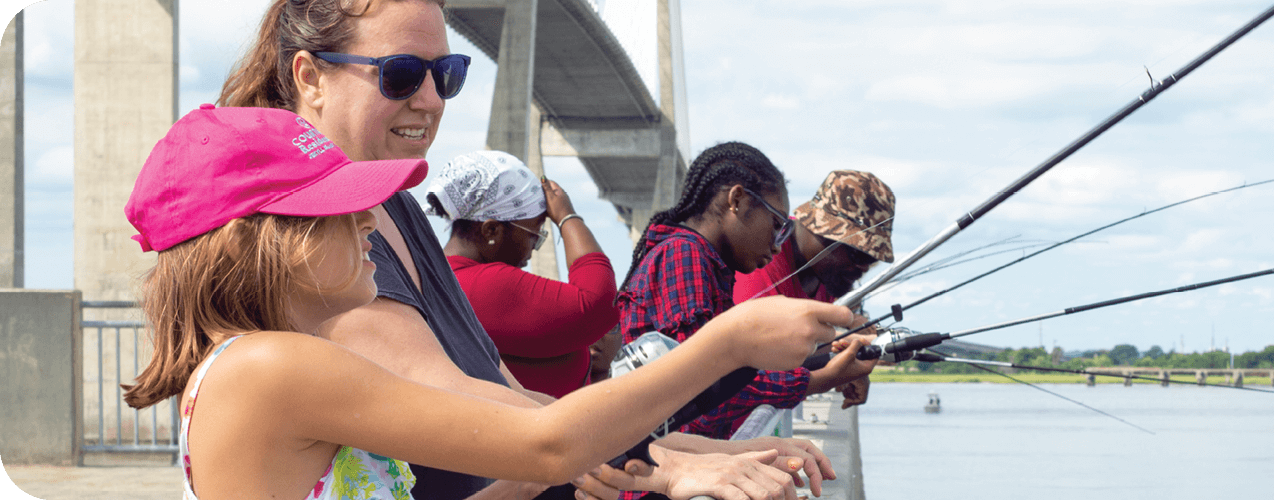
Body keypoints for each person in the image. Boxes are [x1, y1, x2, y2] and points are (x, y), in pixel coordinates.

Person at [217, 1, 835, 498]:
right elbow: (533, 435)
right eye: (401, 73)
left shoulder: (394, 207)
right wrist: (727, 347)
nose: (431, 99)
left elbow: (516, 404)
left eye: (447, 74)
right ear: (309, 76)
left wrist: (703, 452)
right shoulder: (314, 258)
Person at [122, 105, 840, 500]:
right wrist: (732, 340)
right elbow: (549, 441)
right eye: (339, 215)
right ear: (266, 244)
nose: (368, 227)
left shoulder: (258, 368)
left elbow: (538, 449)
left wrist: (700, 454)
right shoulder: (275, 368)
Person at [618, 143, 879, 447]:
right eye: (777, 226)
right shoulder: (683, 255)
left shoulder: (708, 264)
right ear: (738, 200)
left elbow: (719, 374)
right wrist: (819, 381)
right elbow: (701, 389)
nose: (779, 244)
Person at [427, 151, 617, 398]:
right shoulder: (485, 285)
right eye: (534, 234)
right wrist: (567, 216)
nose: (534, 248)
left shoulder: (442, 276)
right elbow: (599, 303)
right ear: (491, 230)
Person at [733, 170, 897, 411]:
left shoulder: (825, 276)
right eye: (859, 253)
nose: (863, 268)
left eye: (872, 259)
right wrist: (846, 349)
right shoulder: (761, 259)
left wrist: (850, 365)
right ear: (822, 230)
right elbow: (753, 356)